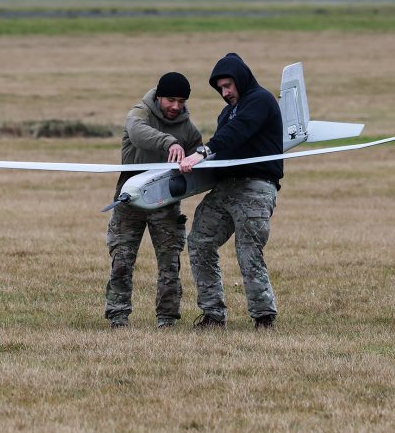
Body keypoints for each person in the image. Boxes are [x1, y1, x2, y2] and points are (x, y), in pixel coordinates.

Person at [179, 53, 283, 330]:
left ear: (242, 80)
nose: (225, 93)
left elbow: (238, 132)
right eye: (220, 88)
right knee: (199, 241)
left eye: (228, 86)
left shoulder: (261, 100)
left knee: (248, 250)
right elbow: (226, 143)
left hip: (256, 187)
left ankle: (264, 317)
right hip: (225, 187)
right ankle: (213, 315)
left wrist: (203, 151)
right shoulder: (227, 112)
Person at [105, 72, 203, 329]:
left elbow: (200, 158)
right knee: (121, 262)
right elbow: (137, 134)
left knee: (170, 264)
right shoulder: (139, 113)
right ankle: (118, 317)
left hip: (165, 204)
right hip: (129, 202)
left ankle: (167, 319)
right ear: (159, 96)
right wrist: (169, 142)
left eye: (181, 101)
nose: (176, 107)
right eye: (171, 99)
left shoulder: (189, 128)